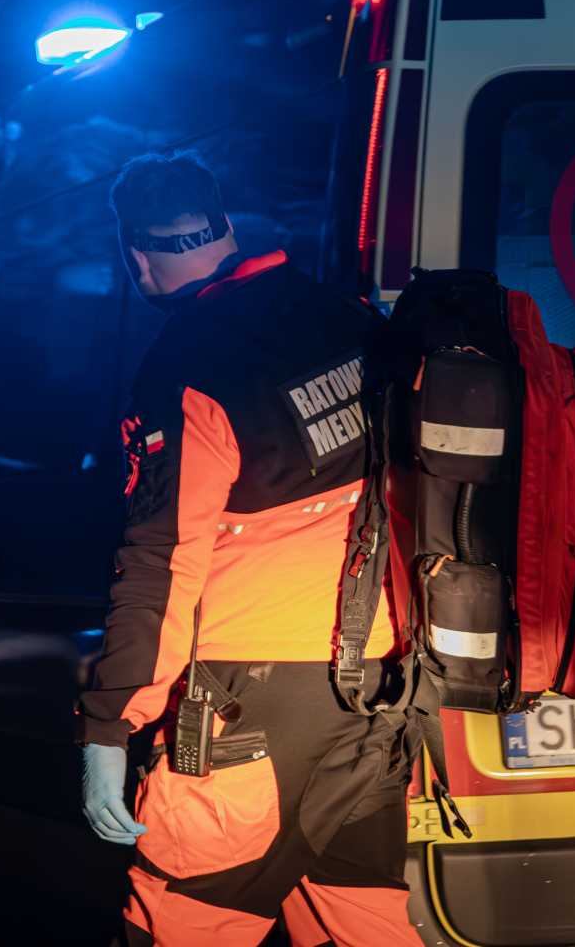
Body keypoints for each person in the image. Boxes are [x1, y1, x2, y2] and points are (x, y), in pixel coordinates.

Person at [76, 151, 424, 947]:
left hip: (249, 705)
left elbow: (162, 561)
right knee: (358, 921)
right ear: (226, 227)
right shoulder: (349, 319)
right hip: (374, 685)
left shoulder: (190, 366)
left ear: (136, 257)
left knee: (181, 923)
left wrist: (109, 724)